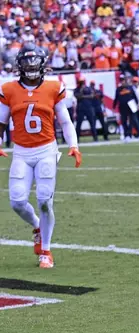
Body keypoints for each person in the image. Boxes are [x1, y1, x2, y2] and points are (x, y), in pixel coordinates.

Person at [0, 43, 82, 269]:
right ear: (19, 65)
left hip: (46, 149)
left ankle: (45, 251)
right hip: (21, 151)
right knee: (17, 201)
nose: (31, 67)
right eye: (27, 63)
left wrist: (73, 144)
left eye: (34, 62)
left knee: (45, 200)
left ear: (43, 64)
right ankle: (37, 226)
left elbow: (65, 121)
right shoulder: (9, 89)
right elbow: (1, 123)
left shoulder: (54, 87)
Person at [113, 75, 139, 142]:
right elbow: (116, 98)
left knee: (134, 121)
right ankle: (127, 136)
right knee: (124, 121)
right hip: (123, 107)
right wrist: (113, 107)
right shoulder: (118, 89)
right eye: (121, 80)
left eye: (123, 80)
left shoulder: (130, 88)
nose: (122, 81)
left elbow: (135, 97)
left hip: (131, 106)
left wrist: (137, 104)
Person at [74, 77, 98, 142]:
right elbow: (78, 97)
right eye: (80, 82)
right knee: (79, 124)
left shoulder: (88, 88)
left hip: (88, 108)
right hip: (80, 109)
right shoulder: (76, 89)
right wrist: (81, 91)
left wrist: (83, 97)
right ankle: (77, 139)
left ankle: (95, 138)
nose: (82, 83)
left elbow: (92, 96)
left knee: (92, 123)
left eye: (82, 82)